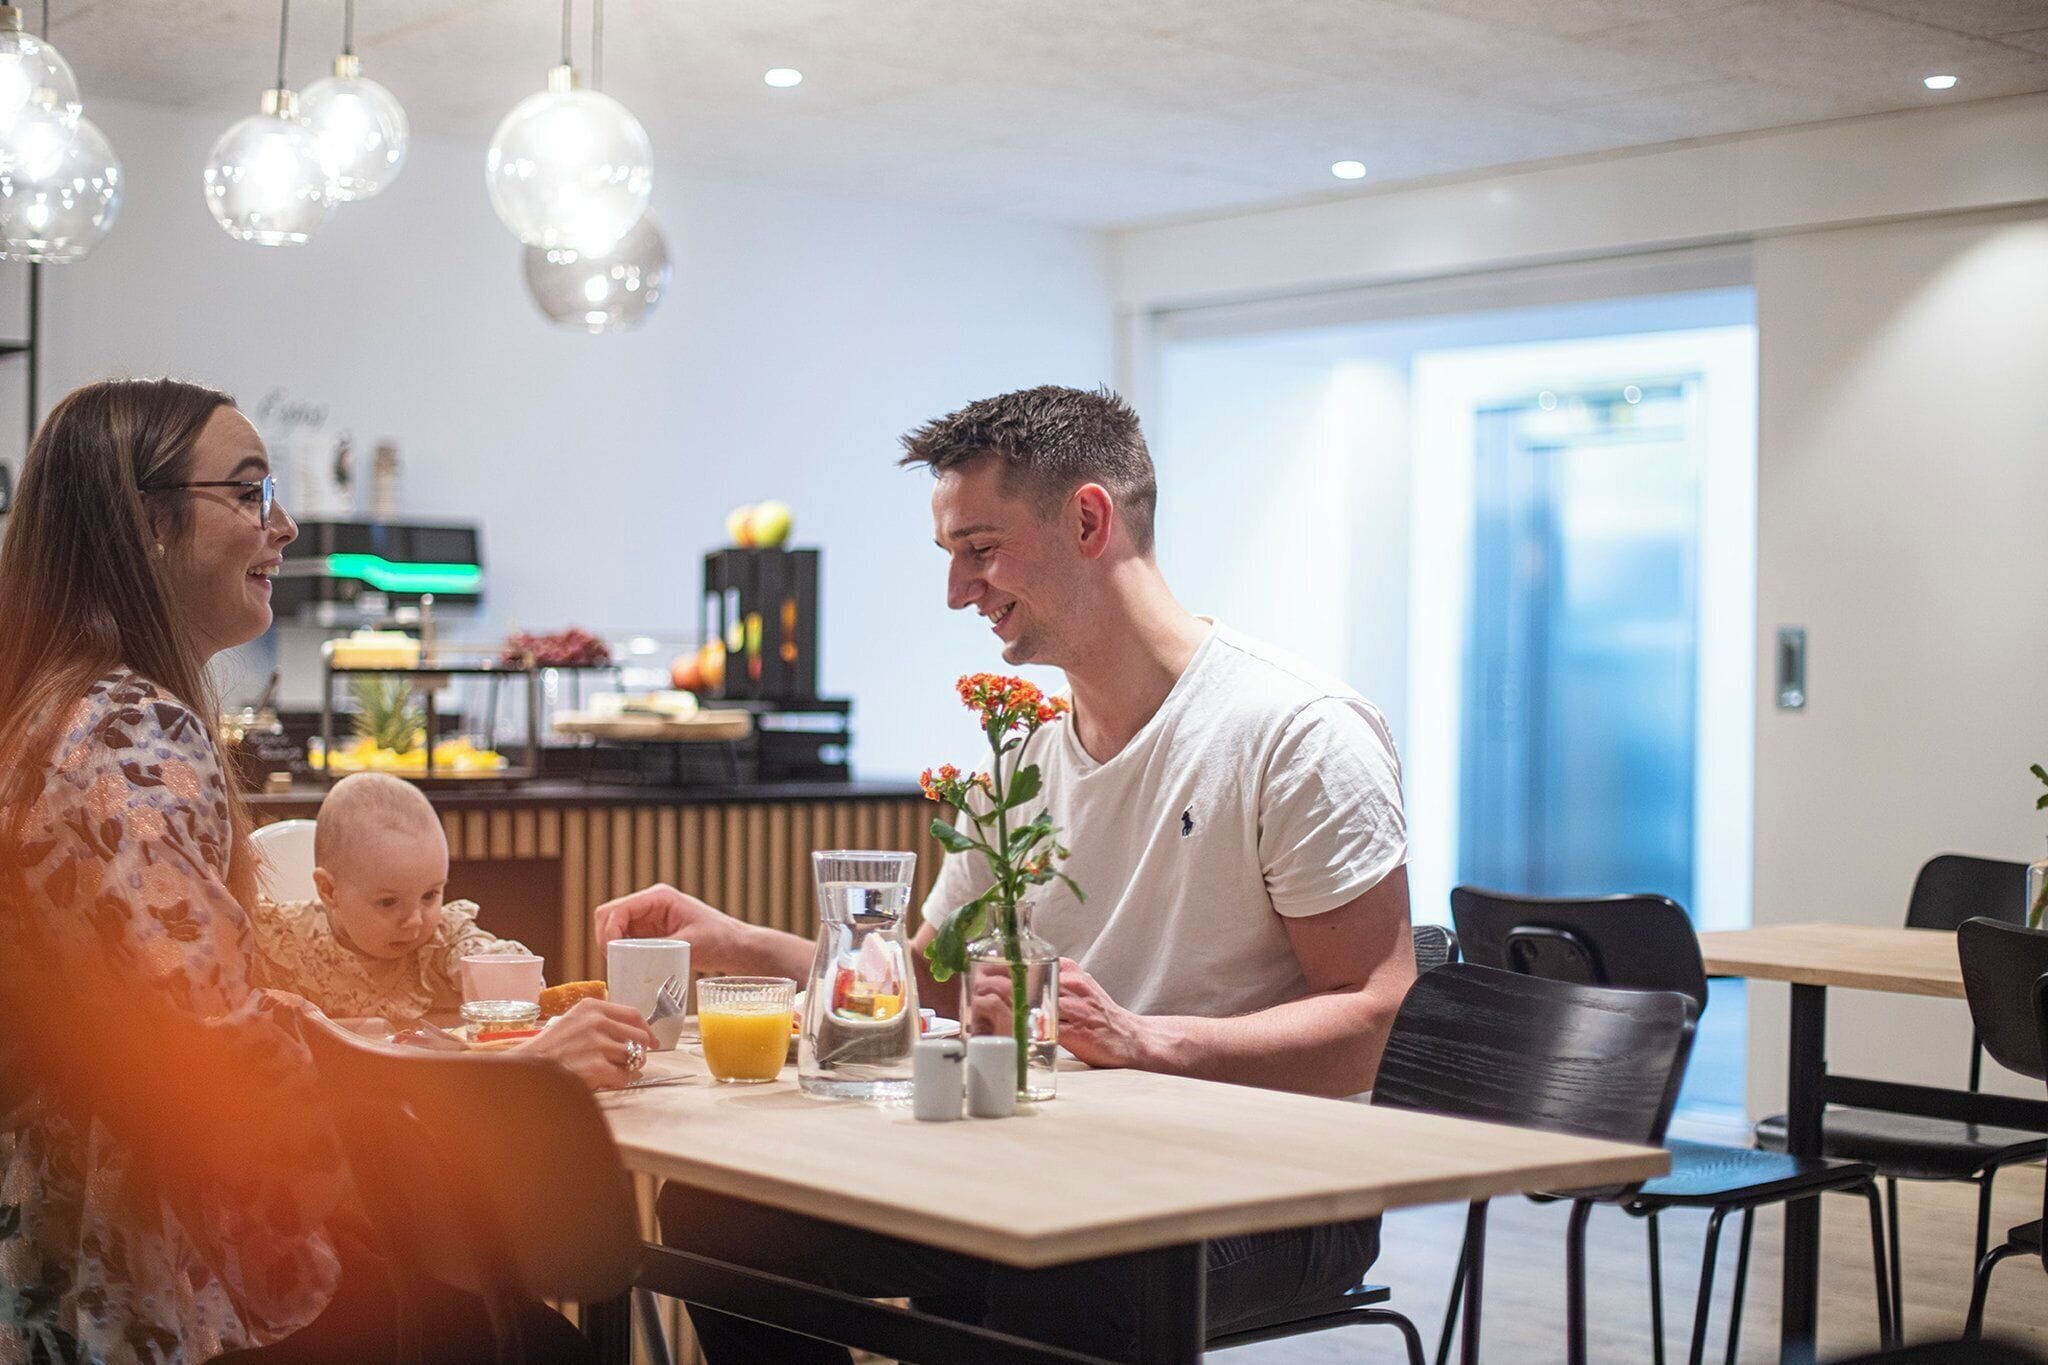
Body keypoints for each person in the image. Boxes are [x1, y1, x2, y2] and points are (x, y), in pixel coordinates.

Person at [597, 384, 1416, 1362]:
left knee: (1055, 1267)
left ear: (1086, 519)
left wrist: (1148, 1043)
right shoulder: (1020, 753)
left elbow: (1374, 1018)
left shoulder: (1294, 732)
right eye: (950, 556)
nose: (957, 591)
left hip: (1263, 1190)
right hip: (1054, 1162)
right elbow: (933, 978)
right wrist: (742, 944)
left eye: (978, 549)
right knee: (723, 1216)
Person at [0, 379, 648, 1363]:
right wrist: (494, 1079)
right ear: (147, 526)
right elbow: (211, 1052)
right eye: (251, 492)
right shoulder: (126, 735)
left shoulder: (51, 709)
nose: (288, 525)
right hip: (152, 1283)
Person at [251, 772, 533, 1021]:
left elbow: (490, 961)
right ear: (329, 890)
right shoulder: (283, 939)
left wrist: (496, 975)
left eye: (430, 895)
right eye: (388, 902)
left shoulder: (444, 940)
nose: (414, 921)